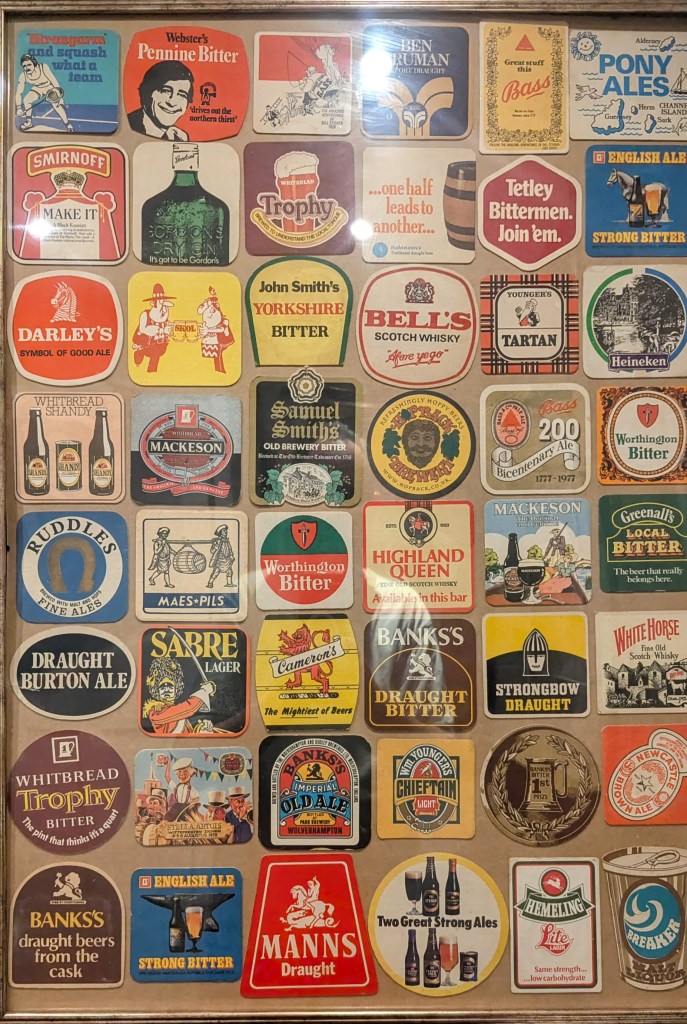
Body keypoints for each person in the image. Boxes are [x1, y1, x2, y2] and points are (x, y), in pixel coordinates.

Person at [129, 60, 194, 140]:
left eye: (182, 95)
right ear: (146, 92)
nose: (172, 102)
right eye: (166, 91)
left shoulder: (180, 137)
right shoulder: (130, 125)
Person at [15, 53, 74, 132]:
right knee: (26, 100)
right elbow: (19, 93)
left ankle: (68, 125)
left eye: (29, 65)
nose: (27, 68)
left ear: (34, 63)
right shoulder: (23, 76)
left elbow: (54, 81)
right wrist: (18, 108)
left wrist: (60, 98)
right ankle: (29, 122)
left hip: (49, 87)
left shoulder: (43, 67)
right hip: (38, 88)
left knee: (57, 105)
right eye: (24, 66)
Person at [132, 283, 175, 374]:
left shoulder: (165, 319)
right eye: (161, 306)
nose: (163, 310)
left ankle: (152, 372)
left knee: (156, 353)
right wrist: (162, 330)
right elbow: (146, 330)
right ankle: (150, 371)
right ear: (152, 304)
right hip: (145, 344)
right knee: (150, 355)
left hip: (160, 345)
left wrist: (170, 331)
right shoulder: (145, 314)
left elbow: (169, 330)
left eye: (165, 307)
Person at [207, 524, 234, 589]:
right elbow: (212, 551)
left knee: (229, 571)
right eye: (224, 531)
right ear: (221, 533)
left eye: (226, 531)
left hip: (227, 559)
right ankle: (210, 583)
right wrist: (216, 547)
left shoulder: (227, 541)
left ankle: (229, 583)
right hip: (219, 560)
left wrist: (231, 555)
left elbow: (230, 549)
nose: (226, 532)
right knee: (216, 572)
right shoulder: (217, 541)